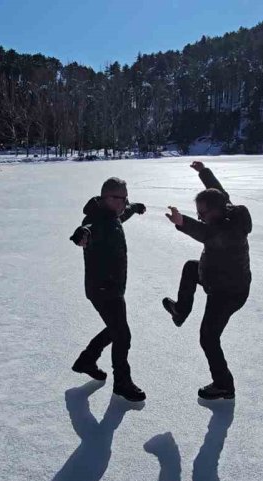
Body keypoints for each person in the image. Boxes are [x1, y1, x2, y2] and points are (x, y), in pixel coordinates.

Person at [163, 162, 252, 400]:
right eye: (198, 213)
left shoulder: (229, 230)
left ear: (218, 211)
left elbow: (206, 234)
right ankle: (180, 312)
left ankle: (224, 385)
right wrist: (203, 172)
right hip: (216, 276)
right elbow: (217, 191)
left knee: (208, 337)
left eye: (203, 213)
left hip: (228, 292)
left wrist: (182, 222)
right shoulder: (225, 207)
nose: (200, 217)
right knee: (191, 268)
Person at [69, 177, 147, 402]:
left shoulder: (113, 214)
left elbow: (123, 214)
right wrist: (81, 235)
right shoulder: (97, 220)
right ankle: (122, 382)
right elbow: (88, 229)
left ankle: (87, 359)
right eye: (121, 198)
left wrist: (135, 207)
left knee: (116, 329)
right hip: (103, 289)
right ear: (107, 198)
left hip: (112, 286)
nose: (125, 202)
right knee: (122, 335)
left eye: (126, 198)